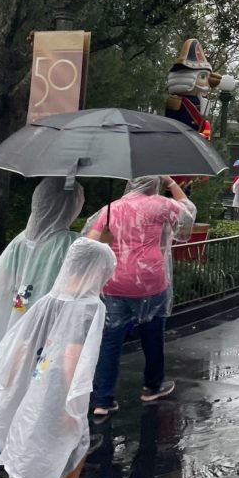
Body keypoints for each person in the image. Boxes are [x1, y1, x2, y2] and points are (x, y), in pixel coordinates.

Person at [0, 238, 118, 478]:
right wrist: (67, 407)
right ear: (96, 270)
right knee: (48, 467)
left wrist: (13, 390)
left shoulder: (49, 299)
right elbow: (73, 356)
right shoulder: (89, 307)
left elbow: (21, 346)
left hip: (34, 388)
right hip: (60, 396)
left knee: (73, 452)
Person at [0, 178, 86, 478]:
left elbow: (3, 289)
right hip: (49, 341)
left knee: (14, 395)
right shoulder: (71, 245)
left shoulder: (18, 243)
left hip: (12, 337)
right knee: (36, 398)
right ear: (69, 205)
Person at [88, 176, 196, 416]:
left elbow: (90, 243)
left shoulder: (111, 209)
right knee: (152, 334)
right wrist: (171, 183)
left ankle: (103, 400)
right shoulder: (160, 205)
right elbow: (188, 215)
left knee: (110, 340)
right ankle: (152, 386)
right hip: (149, 281)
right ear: (154, 184)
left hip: (113, 282)